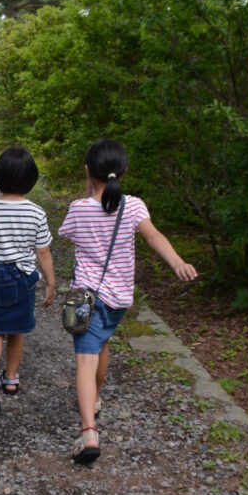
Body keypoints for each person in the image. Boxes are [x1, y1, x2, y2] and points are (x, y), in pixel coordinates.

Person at [59, 138, 197, 464]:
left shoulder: (79, 209)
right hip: (119, 300)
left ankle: (88, 432)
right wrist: (176, 261)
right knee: (102, 343)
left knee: (85, 360)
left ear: (87, 170)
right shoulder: (134, 206)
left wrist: (89, 192)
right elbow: (153, 236)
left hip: (86, 299)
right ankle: (94, 400)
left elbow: (71, 234)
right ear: (124, 172)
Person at [0, 146, 55, 418]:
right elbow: (42, 251)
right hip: (23, 277)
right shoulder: (36, 212)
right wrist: (51, 283)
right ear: (31, 180)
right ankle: (10, 378)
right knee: (17, 330)